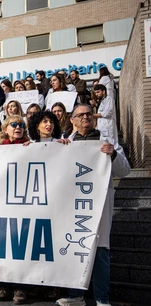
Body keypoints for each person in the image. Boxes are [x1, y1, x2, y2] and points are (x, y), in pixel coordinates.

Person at [56, 104, 130, 306]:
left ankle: (102, 299)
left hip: (98, 205)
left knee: (100, 252)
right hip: (72, 207)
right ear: (72, 120)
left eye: (89, 114)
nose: (86, 117)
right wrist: (57, 150)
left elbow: (124, 171)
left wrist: (113, 154)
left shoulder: (108, 142)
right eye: (80, 115)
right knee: (73, 251)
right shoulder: (65, 143)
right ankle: (75, 295)